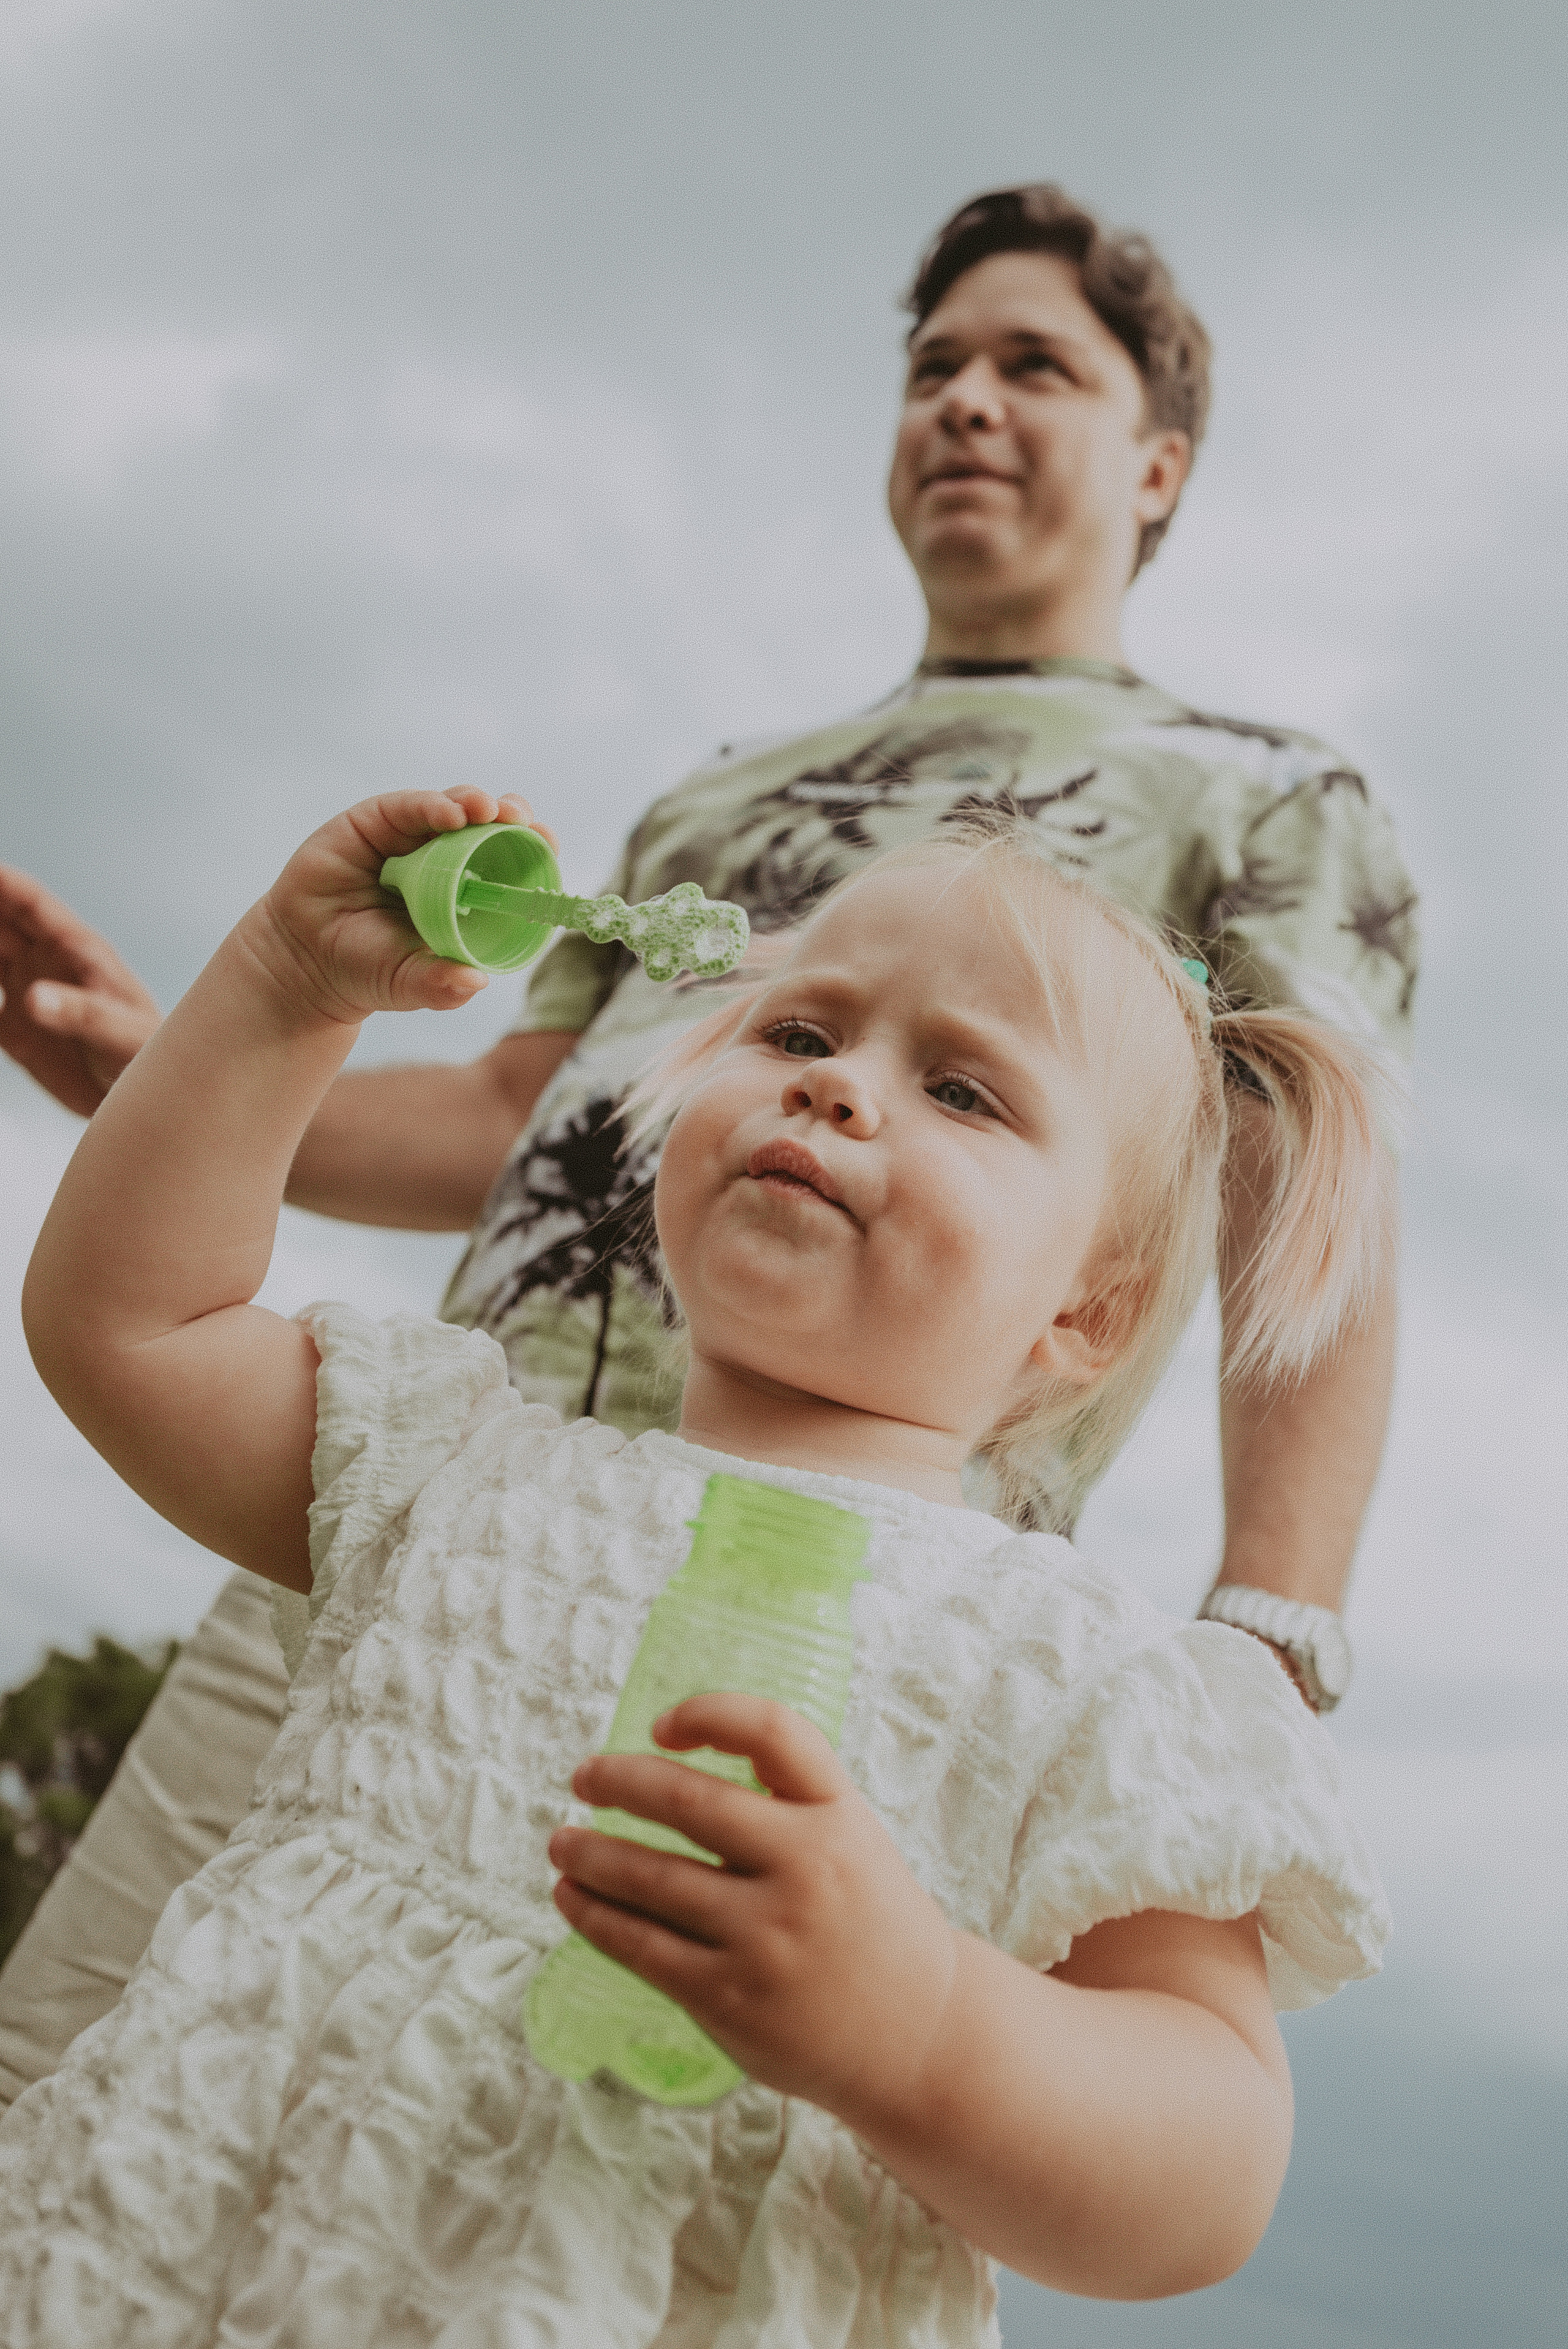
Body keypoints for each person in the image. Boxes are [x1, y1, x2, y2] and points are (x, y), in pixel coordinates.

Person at [0, 183, 1418, 2100]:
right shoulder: (711, 802)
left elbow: (1309, 1210)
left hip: (811, 1602)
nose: (966, 401)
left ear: (1158, 464)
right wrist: (183, 1071)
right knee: (101, 2066)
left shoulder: (1270, 801)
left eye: (1035, 368)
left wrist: (1272, 1621)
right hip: (429, 1530)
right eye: (934, 367)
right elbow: (514, 1115)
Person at [2, 781, 1394, 2339]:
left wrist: (920, 2025)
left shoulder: (1087, 1681)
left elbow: (1209, 2170)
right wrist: (282, 984)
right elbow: (130, 1322)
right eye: (797, 1033)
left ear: (1085, 1312)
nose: (836, 1088)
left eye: (961, 1091)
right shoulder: (450, 1472)